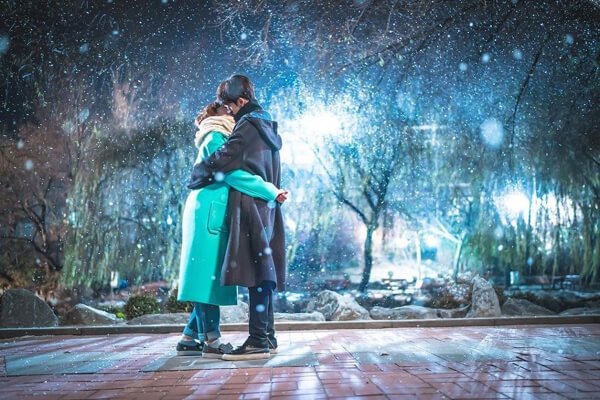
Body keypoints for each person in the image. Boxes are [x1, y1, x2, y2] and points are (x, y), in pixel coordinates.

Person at [176, 101, 288, 359]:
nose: (234, 111)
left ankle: (189, 337)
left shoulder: (221, 135)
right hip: (209, 211)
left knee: (207, 275)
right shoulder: (215, 135)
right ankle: (212, 340)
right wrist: (270, 190)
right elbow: (232, 174)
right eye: (228, 109)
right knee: (206, 278)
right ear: (221, 114)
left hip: (211, 209)